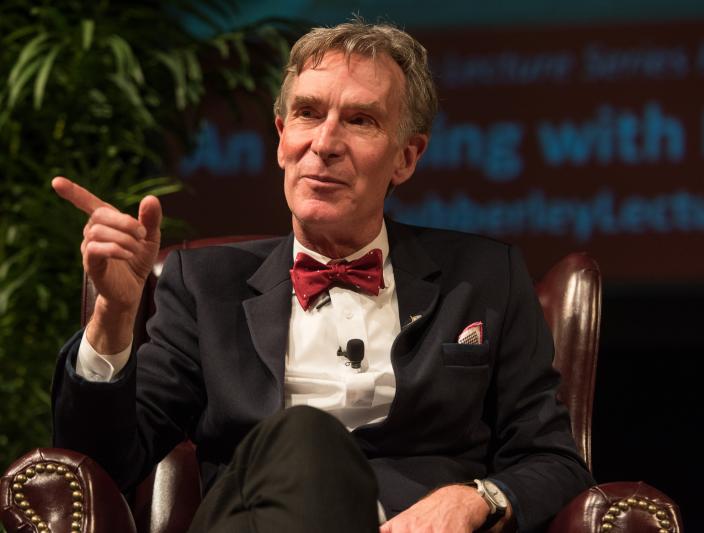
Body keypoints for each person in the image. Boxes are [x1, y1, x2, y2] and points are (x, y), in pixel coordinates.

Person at [51, 20, 594, 533]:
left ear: (406, 157)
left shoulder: (483, 278)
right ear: (282, 137)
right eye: (308, 114)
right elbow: (105, 463)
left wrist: (475, 498)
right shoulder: (204, 284)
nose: (325, 143)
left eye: (360, 120)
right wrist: (113, 318)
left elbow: (555, 460)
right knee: (307, 435)